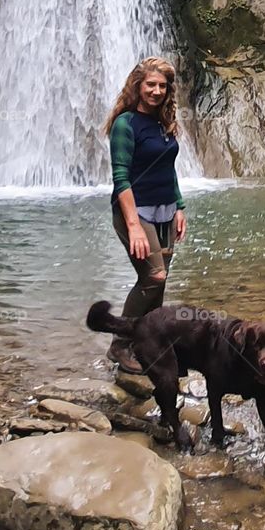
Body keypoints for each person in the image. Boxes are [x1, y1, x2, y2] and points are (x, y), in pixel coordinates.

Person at [103, 56, 187, 373]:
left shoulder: (163, 121)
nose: (155, 91)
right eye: (150, 84)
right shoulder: (126, 124)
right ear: (138, 85)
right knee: (154, 276)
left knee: (158, 285)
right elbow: (121, 179)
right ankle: (119, 345)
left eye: (162, 86)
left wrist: (179, 206)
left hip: (166, 211)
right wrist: (134, 227)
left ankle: (148, 343)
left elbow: (169, 168)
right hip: (135, 213)